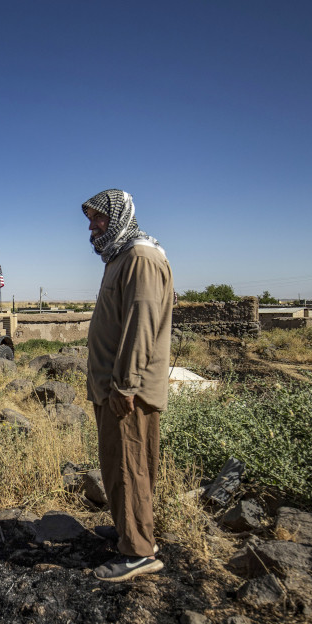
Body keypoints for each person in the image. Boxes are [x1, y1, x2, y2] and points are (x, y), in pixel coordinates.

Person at [82, 188, 174, 582]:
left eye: (98, 218)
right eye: (90, 219)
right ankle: (129, 533)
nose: (91, 226)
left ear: (118, 216)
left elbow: (142, 325)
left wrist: (125, 385)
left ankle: (138, 553)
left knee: (130, 466)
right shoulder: (121, 257)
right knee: (119, 466)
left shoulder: (141, 257)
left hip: (126, 392)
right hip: (114, 389)